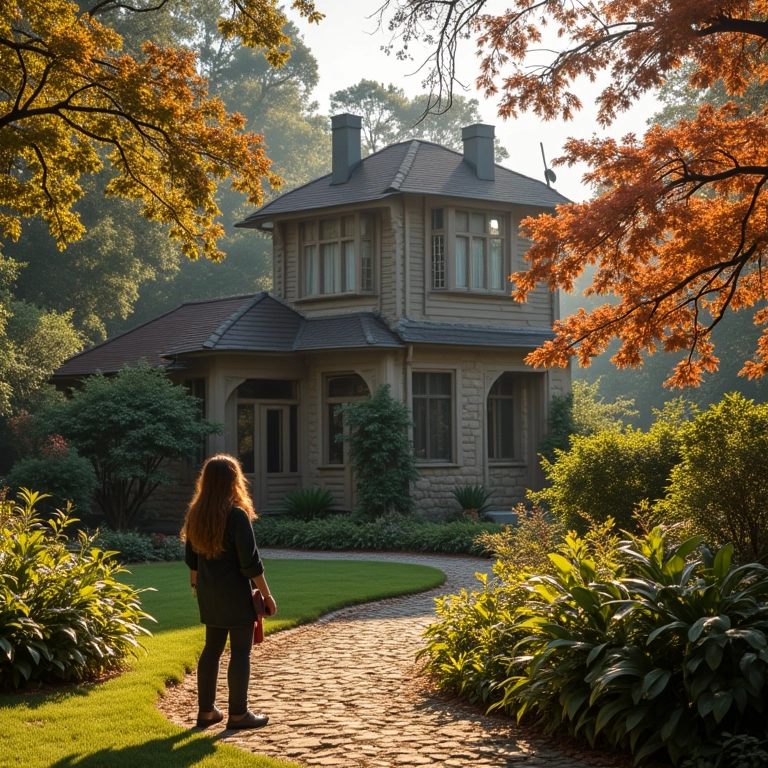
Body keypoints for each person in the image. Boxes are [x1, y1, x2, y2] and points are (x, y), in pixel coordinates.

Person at [181, 454, 277, 730]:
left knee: (212, 649)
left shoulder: (196, 514)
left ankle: (207, 712)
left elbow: (192, 561)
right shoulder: (236, 515)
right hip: (235, 593)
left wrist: (197, 587)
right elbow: (250, 564)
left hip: (209, 594)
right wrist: (267, 596)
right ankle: (238, 713)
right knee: (240, 652)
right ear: (234, 481)